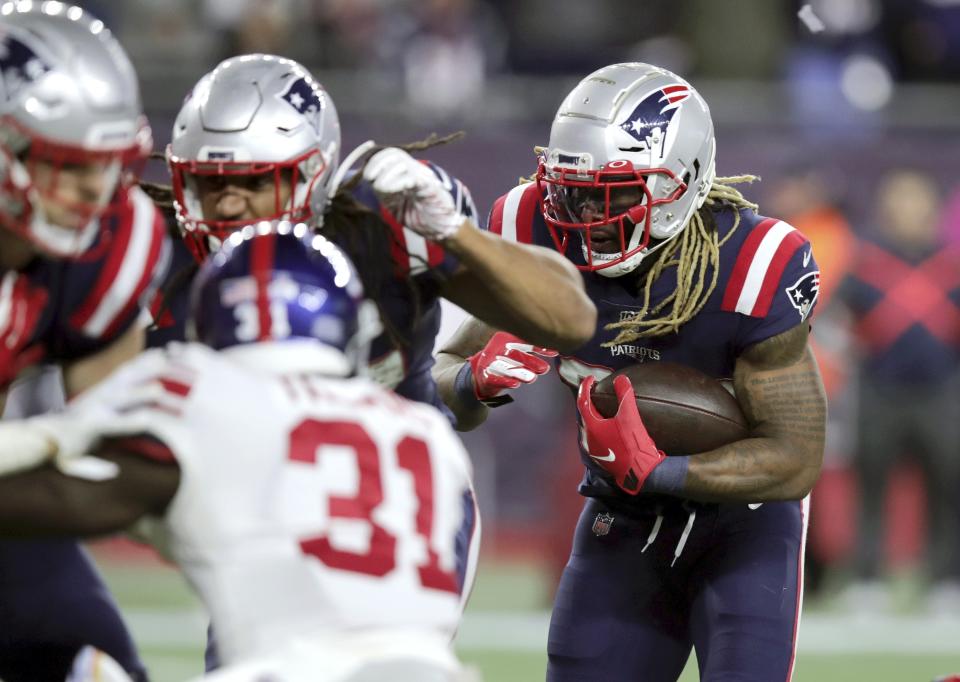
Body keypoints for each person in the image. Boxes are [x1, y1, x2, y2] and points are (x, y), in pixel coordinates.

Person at [434, 62, 828, 681]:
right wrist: (471, 382)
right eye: (572, 189)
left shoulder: (751, 263)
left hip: (743, 528)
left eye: (614, 191)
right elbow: (442, 377)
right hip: (621, 516)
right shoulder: (533, 231)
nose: (585, 213)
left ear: (683, 181)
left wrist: (661, 470)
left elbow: (796, 456)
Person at [0, 223, 480, 682]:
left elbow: (69, 500)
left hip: (290, 671)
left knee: (83, 665)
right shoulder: (425, 432)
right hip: (431, 670)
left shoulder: (204, 391)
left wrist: (52, 438)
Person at [149, 53, 595, 424]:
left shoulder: (381, 227)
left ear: (313, 174)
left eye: (256, 184)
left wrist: (454, 233)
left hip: (394, 506)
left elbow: (570, 322)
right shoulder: (150, 253)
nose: (227, 207)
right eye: (208, 184)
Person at [0, 4, 169, 680]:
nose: (93, 193)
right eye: (67, 166)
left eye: (105, 166)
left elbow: (111, 446)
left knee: (100, 663)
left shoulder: (107, 247)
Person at [837, 168, 960, 610]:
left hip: (942, 391)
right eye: (900, 199)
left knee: (947, 484)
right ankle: (867, 580)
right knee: (871, 483)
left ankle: (947, 581)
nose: (908, 208)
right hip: (878, 390)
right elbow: (831, 318)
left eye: (916, 199)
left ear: (932, 207)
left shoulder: (951, 265)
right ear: (887, 208)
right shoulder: (867, 265)